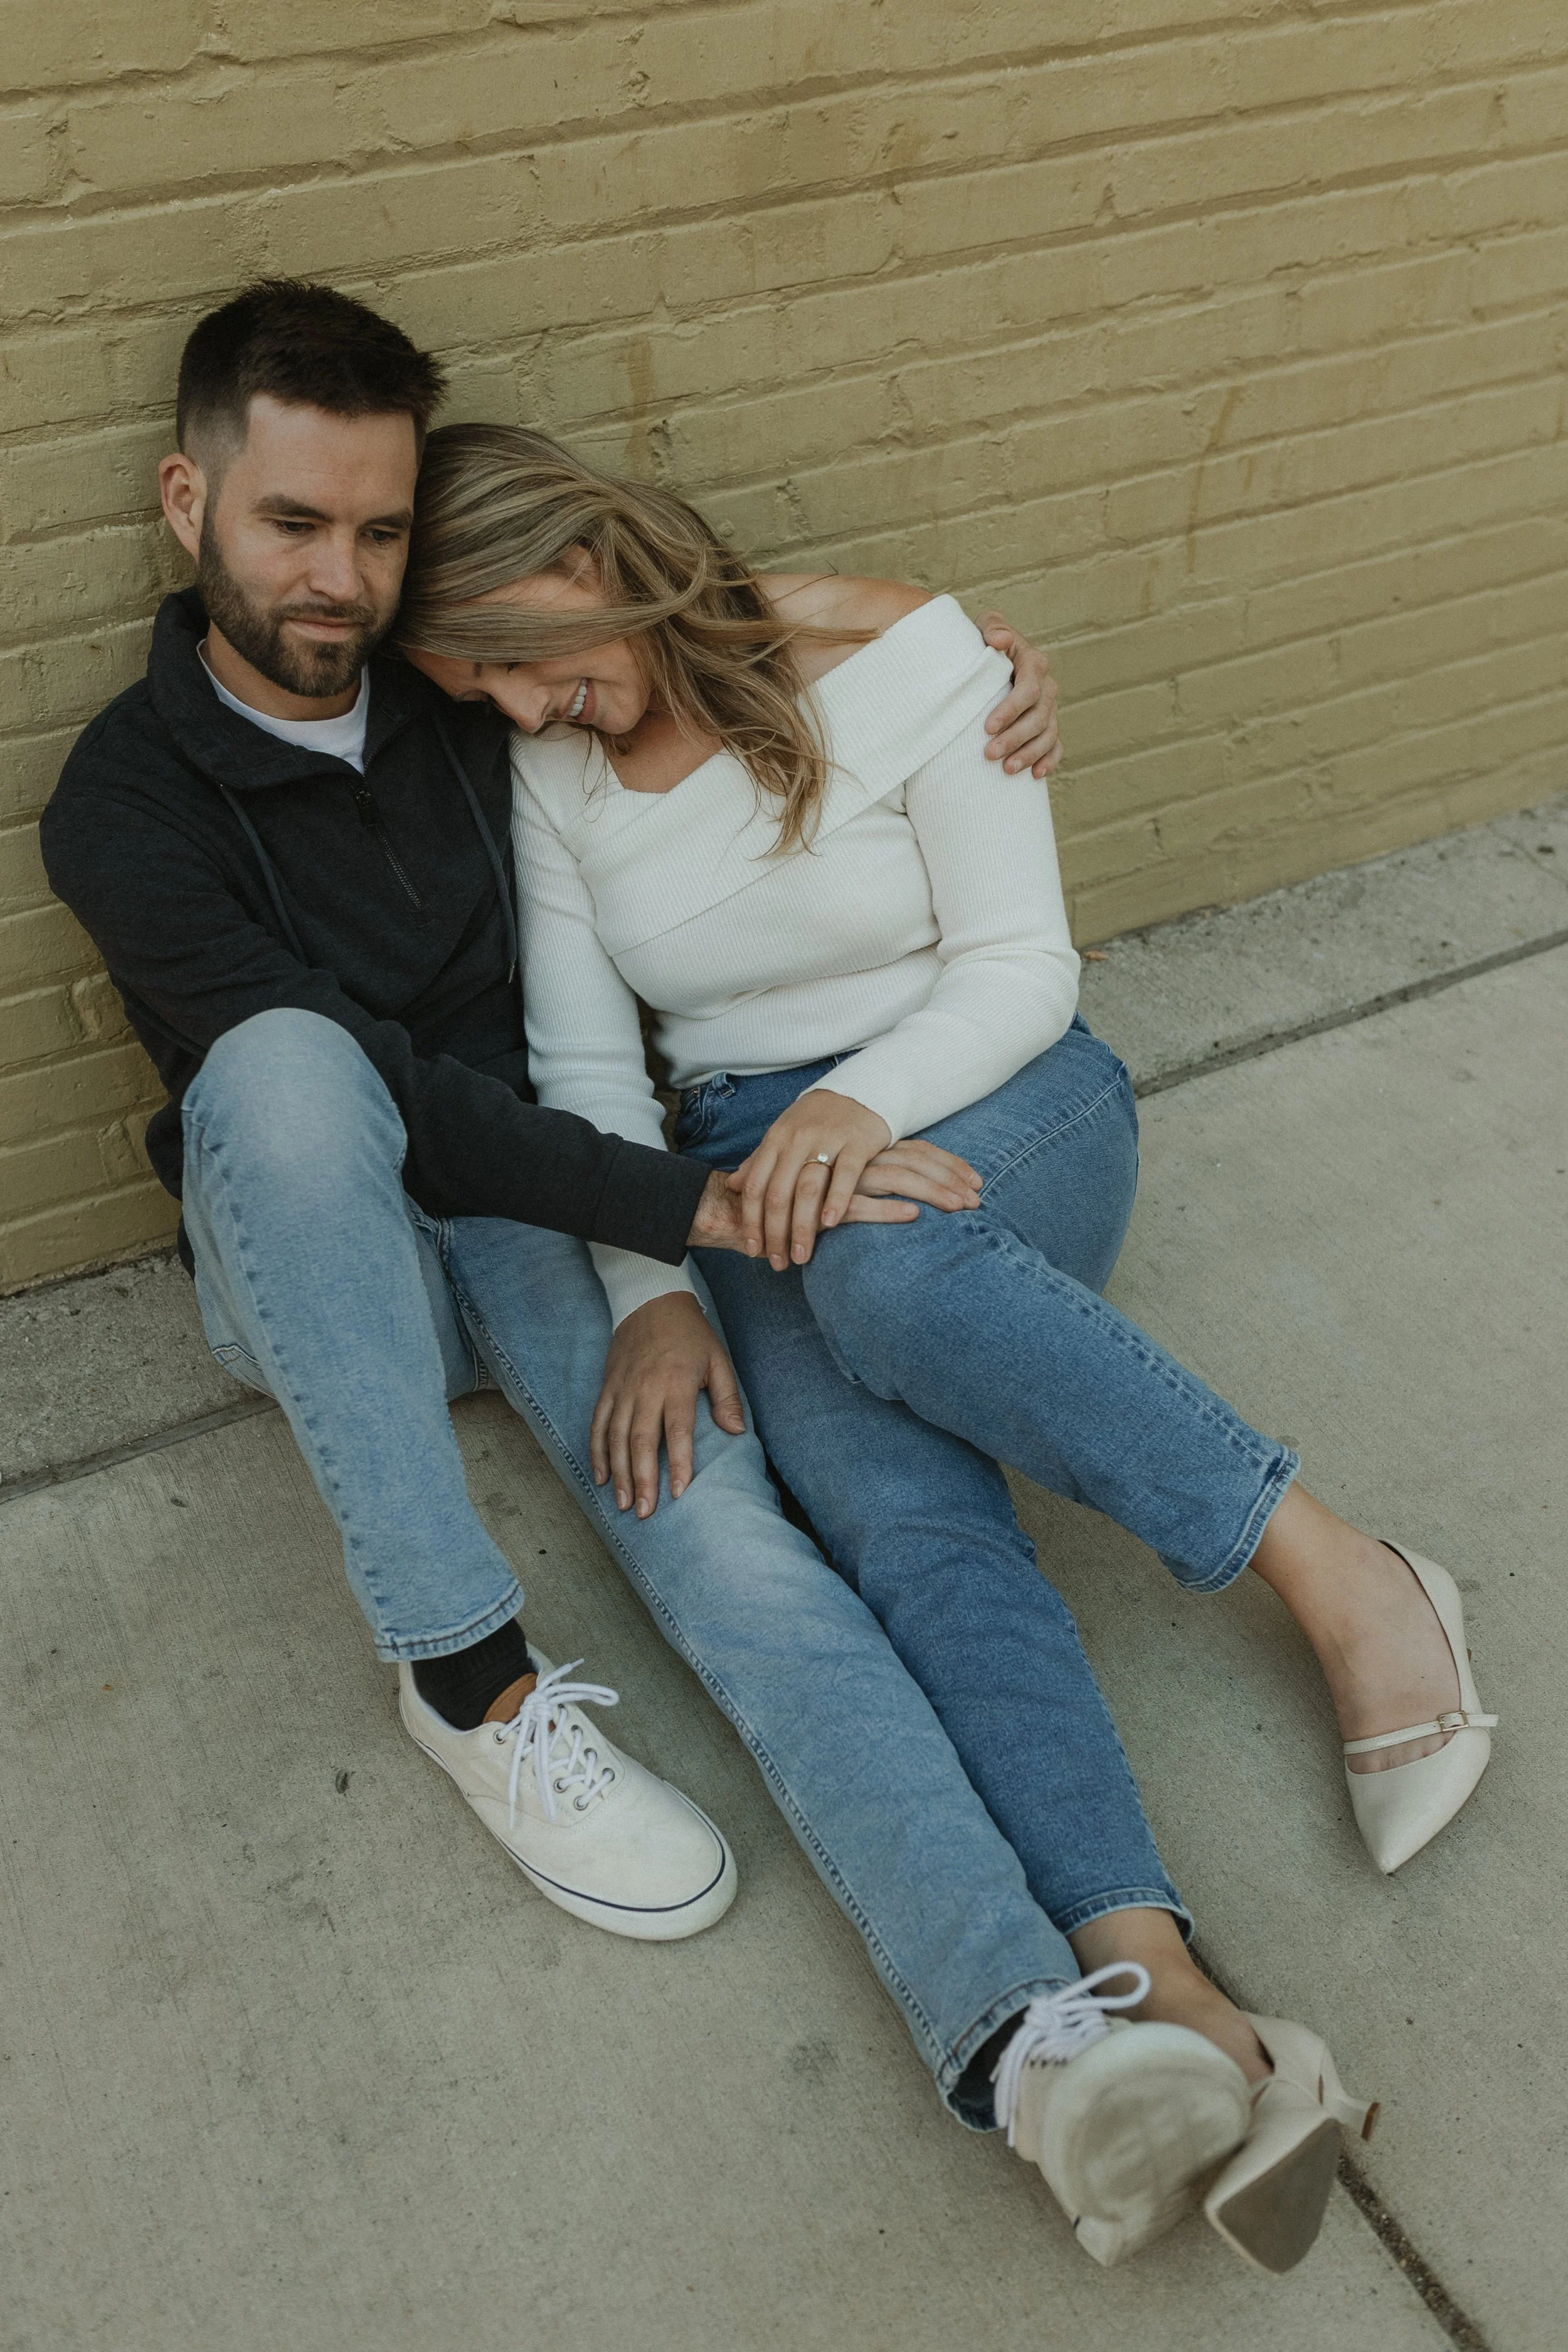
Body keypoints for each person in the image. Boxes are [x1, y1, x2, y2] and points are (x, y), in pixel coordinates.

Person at [37, 285, 1269, 2268]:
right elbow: (395, 1113)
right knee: (286, 1073)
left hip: (551, 1205)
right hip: (326, 1253)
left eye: (374, 531)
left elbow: (657, 617)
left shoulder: (466, 686)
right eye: (291, 525)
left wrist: (951, 638)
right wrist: (687, 1224)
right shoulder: (123, 796)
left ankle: (1040, 2044)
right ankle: (465, 1673)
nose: (337, 577)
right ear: (189, 502)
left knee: (742, 1545)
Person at [395, 420, 1500, 2274]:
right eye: (477, 693)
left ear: (577, 559)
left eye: (513, 658)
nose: (518, 711)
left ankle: (1348, 1575)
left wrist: (852, 1105)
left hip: (993, 1098)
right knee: (898, 1525)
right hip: (754, 1184)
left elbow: (1019, 967)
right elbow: (592, 1071)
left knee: (897, 1281)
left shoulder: (909, 662)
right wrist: (655, 1292)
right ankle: (1171, 2000)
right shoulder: (562, 778)